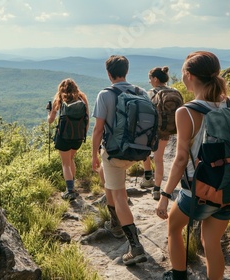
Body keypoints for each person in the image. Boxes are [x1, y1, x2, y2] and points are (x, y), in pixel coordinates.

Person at [156, 51, 230, 280]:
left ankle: (178, 276)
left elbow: (181, 159)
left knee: (173, 228)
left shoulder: (187, 112)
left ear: (189, 76)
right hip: (229, 186)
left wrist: (165, 194)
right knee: (211, 243)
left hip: (199, 190)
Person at [91, 55, 148, 266]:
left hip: (115, 154)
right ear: (127, 70)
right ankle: (115, 221)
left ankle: (135, 247)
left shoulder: (105, 94)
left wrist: (93, 155)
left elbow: (98, 129)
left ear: (108, 73)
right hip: (137, 152)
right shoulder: (141, 92)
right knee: (109, 180)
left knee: (120, 196)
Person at [140, 66, 181, 200]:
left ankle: (147, 177)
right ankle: (157, 190)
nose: (149, 81)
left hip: (151, 129)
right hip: (166, 129)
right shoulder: (175, 91)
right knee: (159, 159)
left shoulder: (151, 93)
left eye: (150, 78)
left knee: (145, 152)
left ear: (156, 79)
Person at [47, 78, 90, 200]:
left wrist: (49, 112)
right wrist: (83, 134)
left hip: (64, 137)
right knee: (71, 159)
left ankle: (70, 191)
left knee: (65, 163)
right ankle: (72, 185)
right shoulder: (82, 99)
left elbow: (50, 120)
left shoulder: (59, 99)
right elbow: (87, 118)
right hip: (78, 137)